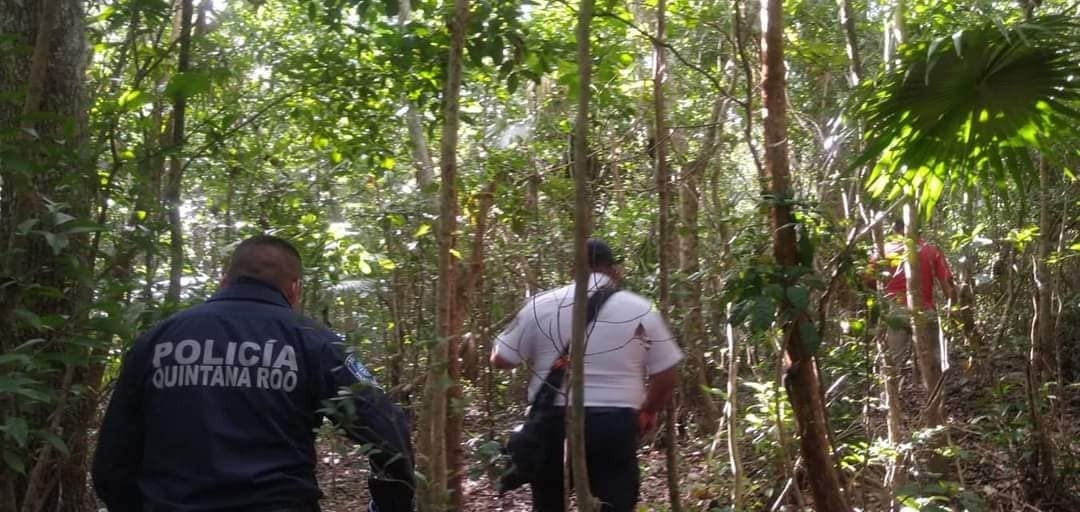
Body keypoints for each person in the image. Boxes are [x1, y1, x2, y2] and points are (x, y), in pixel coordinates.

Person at [93, 235, 414, 512]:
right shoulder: (313, 340)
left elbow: (112, 460)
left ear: (224, 280)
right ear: (294, 289)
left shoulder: (158, 338)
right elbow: (387, 433)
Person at [490, 238, 683, 512]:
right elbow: (667, 375)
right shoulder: (639, 308)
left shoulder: (540, 305)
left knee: (548, 501)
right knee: (614, 501)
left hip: (551, 423)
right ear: (613, 270)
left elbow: (501, 359)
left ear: (572, 269)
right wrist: (648, 411)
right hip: (613, 424)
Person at [869, 219, 957, 365]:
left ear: (895, 231)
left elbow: (868, 279)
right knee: (934, 360)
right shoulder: (930, 250)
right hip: (925, 310)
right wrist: (954, 310)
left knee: (894, 361)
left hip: (896, 312)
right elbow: (947, 284)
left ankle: (893, 387)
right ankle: (937, 387)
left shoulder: (884, 250)